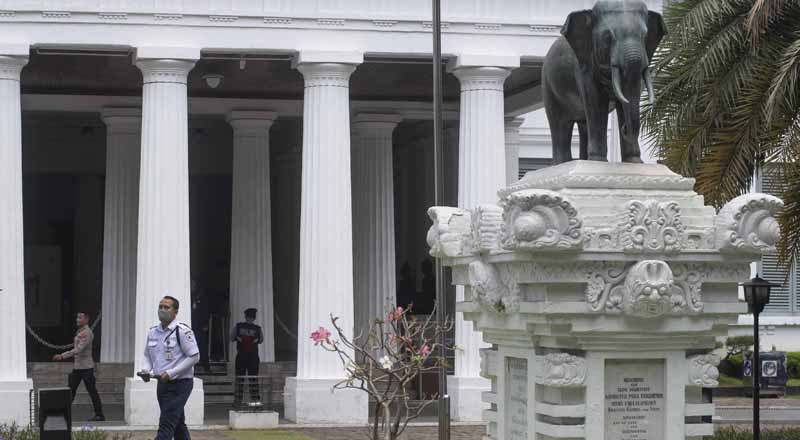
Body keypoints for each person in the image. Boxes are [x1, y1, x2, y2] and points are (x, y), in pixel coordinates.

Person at [138, 296, 199, 440]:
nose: (162, 310)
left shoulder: (182, 331)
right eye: (160, 307)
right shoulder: (153, 332)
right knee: (177, 423)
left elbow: (194, 356)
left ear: (175, 312)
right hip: (162, 383)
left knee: (166, 423)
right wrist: (146, 370)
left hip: (180, 384)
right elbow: (147, 355)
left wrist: (171, 373)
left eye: (166, 307)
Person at [53, 312, 105, 421]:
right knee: (70, 390)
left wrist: (62, 356)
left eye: (80, 318)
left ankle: (99, 414)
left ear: (86, 319)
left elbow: (79, 349)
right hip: (78, 368)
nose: (77, 319)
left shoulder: (87, 333)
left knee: (92, 391)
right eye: (77, 317)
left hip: (86, 368)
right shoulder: (81, 332)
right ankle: (63, 413)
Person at [231, 308, 263, 407]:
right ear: (254, 318)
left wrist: (239, 338)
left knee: (240, 379)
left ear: (246, 317)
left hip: (241, 356)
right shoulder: (258, 328)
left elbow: (231, 337)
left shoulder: (238, 326)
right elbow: (261, 340)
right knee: (253, 379)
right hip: (253, 356)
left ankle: (237, 401)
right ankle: (255, 401)